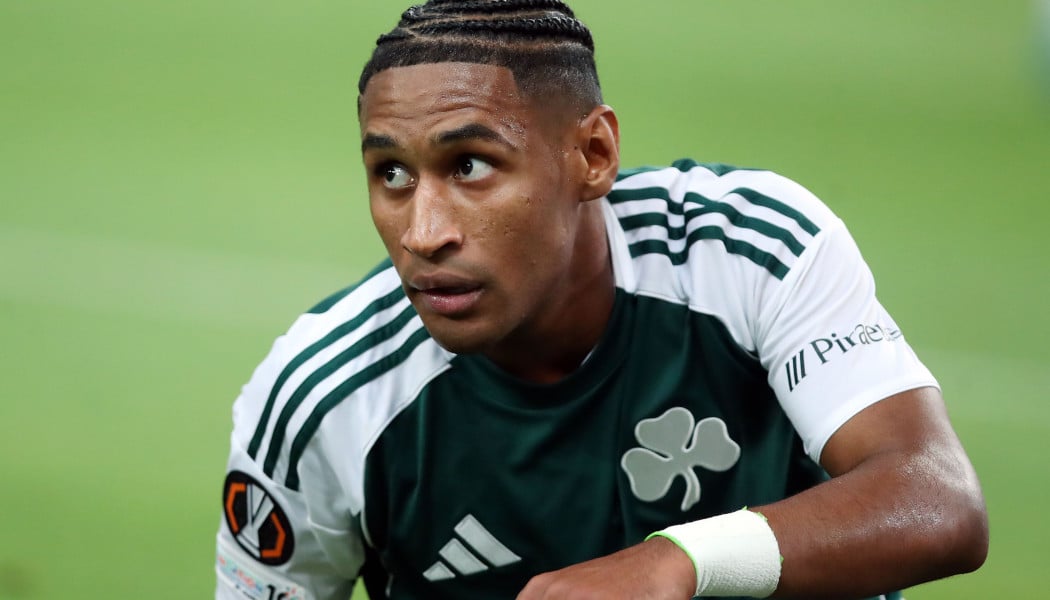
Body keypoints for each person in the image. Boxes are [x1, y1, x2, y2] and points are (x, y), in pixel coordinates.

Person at [215, 1, 989, 598]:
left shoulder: (743, 253)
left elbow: (938, 500)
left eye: (471, 165)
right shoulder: (323, 399)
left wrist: (676, 564)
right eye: (391, 174)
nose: (423, 232)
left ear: (593, 154)